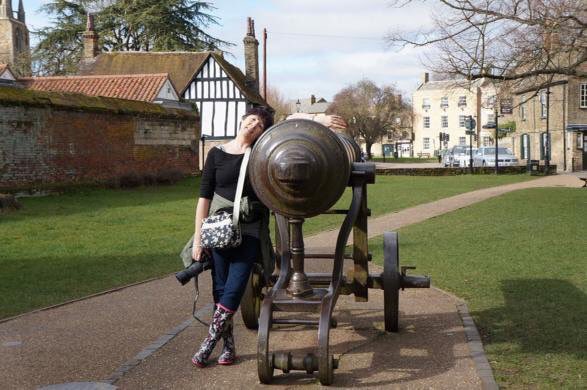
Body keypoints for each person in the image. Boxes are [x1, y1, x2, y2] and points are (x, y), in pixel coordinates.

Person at [190, 107, 347, 368]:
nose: (253, 126)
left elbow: (288, 120)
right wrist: (198, 239)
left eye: (260, 126)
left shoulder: (262, 153)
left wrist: (319, 119)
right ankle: (228, 348)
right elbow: (203, 199)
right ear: (242, 121)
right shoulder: (216, 155)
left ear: (263, 133)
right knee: (219, 290)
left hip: (249, 232)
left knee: (234, 287)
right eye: (251, 120)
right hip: (218, 231)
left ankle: (207, 344)